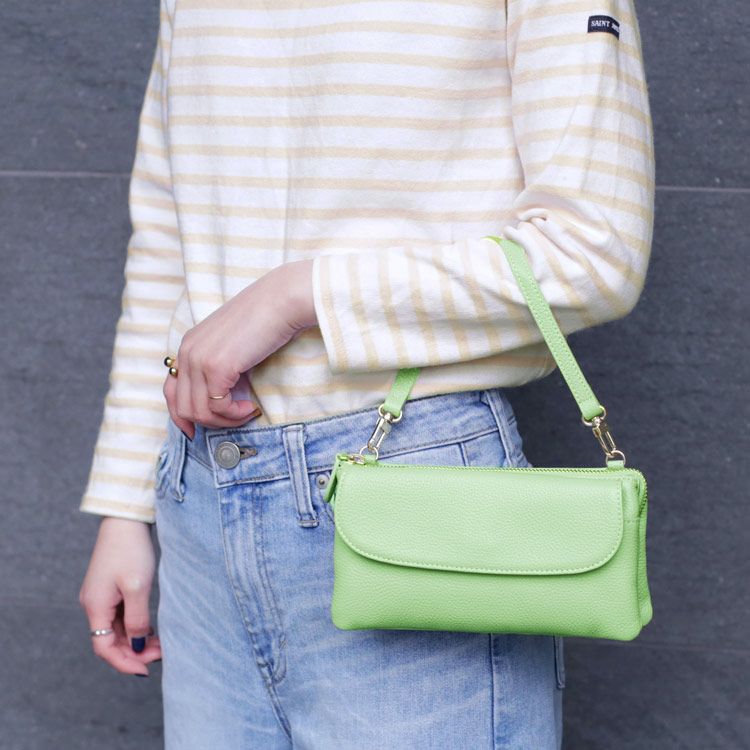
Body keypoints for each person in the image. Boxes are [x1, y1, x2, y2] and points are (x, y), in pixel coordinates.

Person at [78, 0, 654, 746]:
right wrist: (127, 505)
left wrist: (299, 296)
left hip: (414, 493)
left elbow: (594, 251)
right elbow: (167, 239)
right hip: (198, 506)